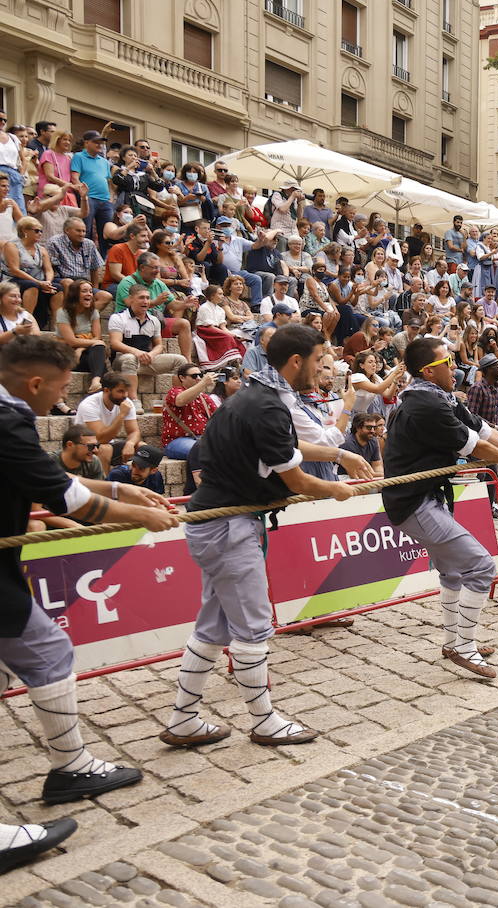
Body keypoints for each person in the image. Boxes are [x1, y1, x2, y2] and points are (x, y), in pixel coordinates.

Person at [0, 335, 177, 869]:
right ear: (36, 382)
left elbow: (41, 476)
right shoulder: (7, 421)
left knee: (43, 652)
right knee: (49, 651)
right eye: (59, 387)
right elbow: (67, 499)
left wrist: (121, 491)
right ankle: (70, 767)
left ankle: (71, 765)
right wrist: (141, 516)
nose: (63, 396)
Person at [159, 324, 361, 749]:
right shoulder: (268, 406)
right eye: (318, 360)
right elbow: (297, 479)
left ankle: (183, 719)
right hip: (229, 527)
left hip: (217, 522)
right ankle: (264, 721)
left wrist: (339, 454)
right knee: (252, 629)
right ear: (296, 361)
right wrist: (336, 489)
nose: (322, 368)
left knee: (212, 628)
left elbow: (288, 448)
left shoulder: (255, 397)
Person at [381, 337, 498, 679]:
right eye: (447, 363)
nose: (456, 369)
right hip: (413, 502)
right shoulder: (425, 404)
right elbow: (476, 447)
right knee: (481, 566)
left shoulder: (440, 397)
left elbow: (484, 431)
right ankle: (465, 648)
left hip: (426, 497)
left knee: (452, 572)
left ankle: (453, 642)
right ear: (428, 371)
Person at [74, 372, 141, 470]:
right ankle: (103, 479)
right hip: (84, 446)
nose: (125, 395)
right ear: (106, 390)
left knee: (142, 447)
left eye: (126, 391)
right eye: (120, 391)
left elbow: (134, 431)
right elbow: (101, 439)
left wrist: (130, 444)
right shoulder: (89, 405)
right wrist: (121, 415)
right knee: (105, 449)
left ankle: (138, 479)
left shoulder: (126, 402)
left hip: (109, 444)